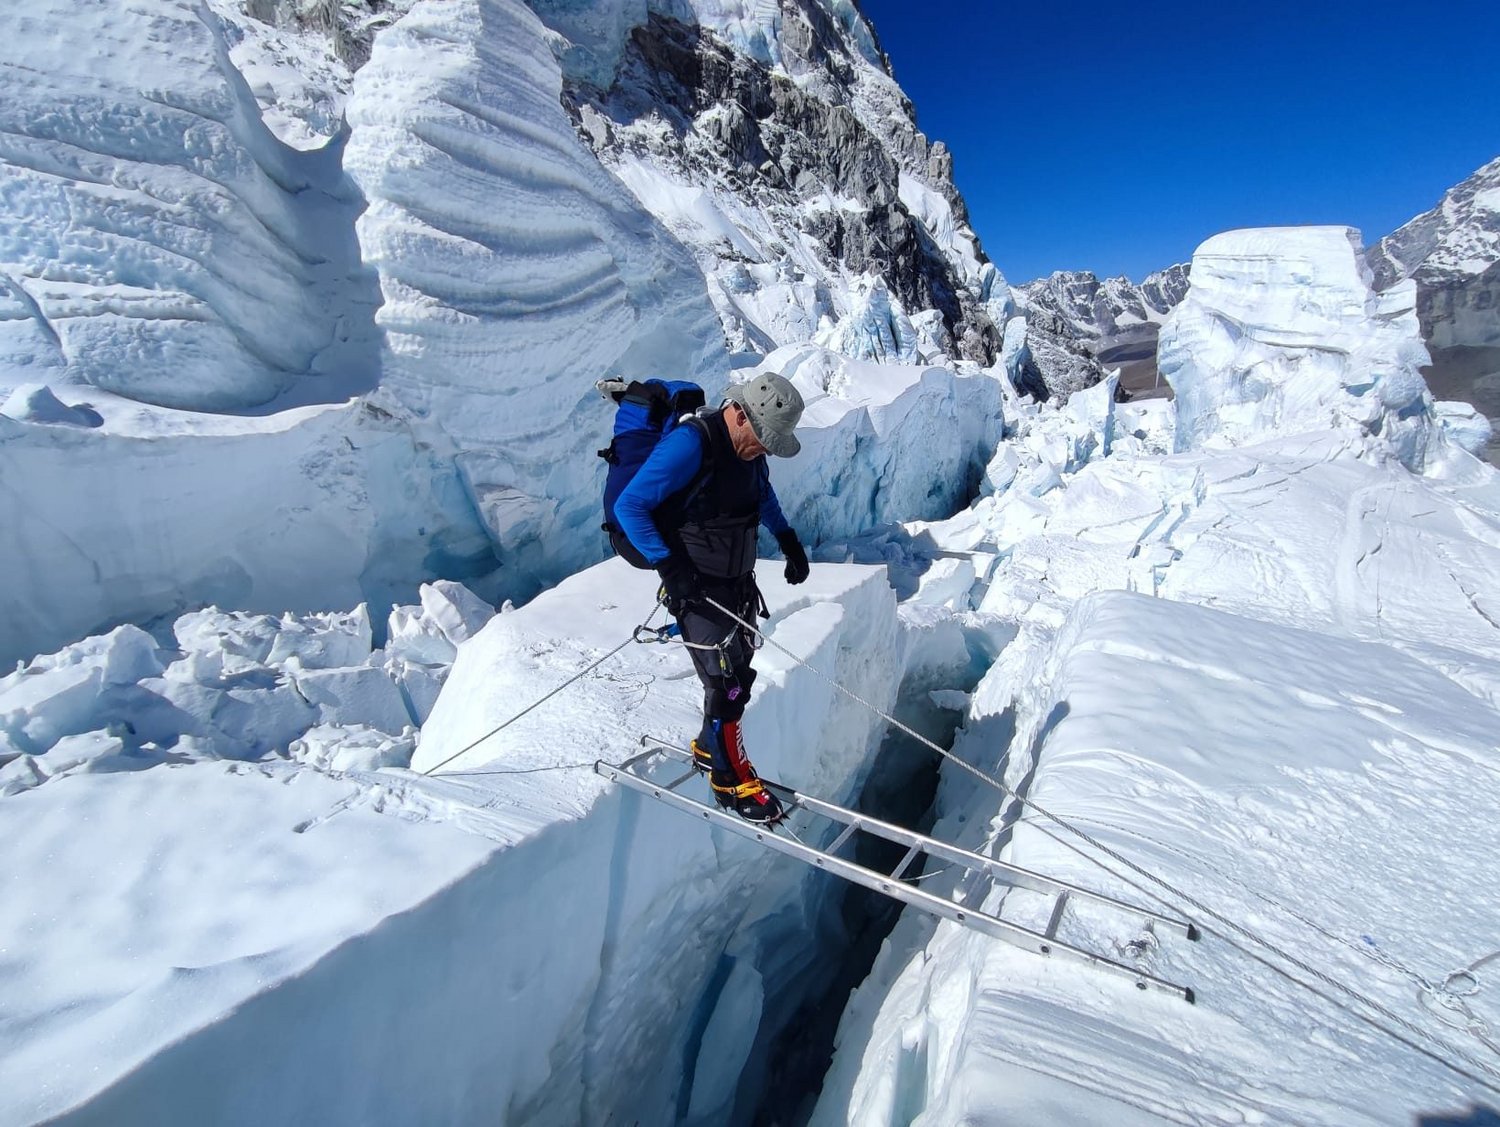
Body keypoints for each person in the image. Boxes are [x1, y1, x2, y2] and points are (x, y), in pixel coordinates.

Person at [613, 372, 811, 823]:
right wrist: (670, 567)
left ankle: (709, 746)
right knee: (725, 685)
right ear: (739, 413)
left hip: (736, 584)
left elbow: (761, 493)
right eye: (763, 437)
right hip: (697, 587)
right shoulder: (691, 444)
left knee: (739, 670)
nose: (765, 447)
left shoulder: (750, 451)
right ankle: (729, 779)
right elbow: (631, 506)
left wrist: (788, 539)